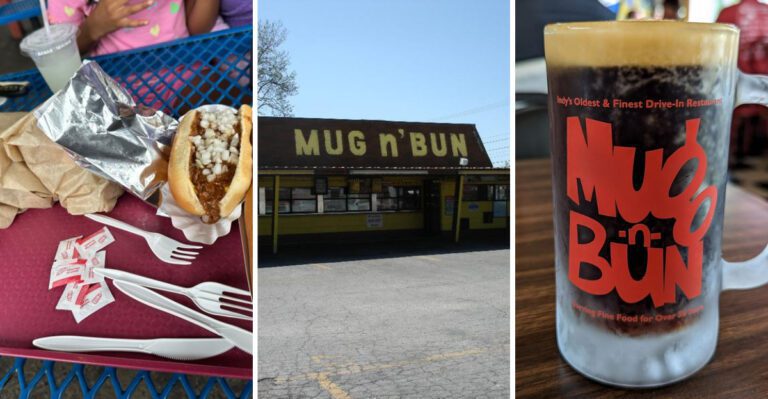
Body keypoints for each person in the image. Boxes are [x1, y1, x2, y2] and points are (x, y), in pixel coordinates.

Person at [47, 0, 221, 56]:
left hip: (186, 66)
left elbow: (198, 30)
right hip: (116, 83)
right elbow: (63, 53)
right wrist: (93, 27)